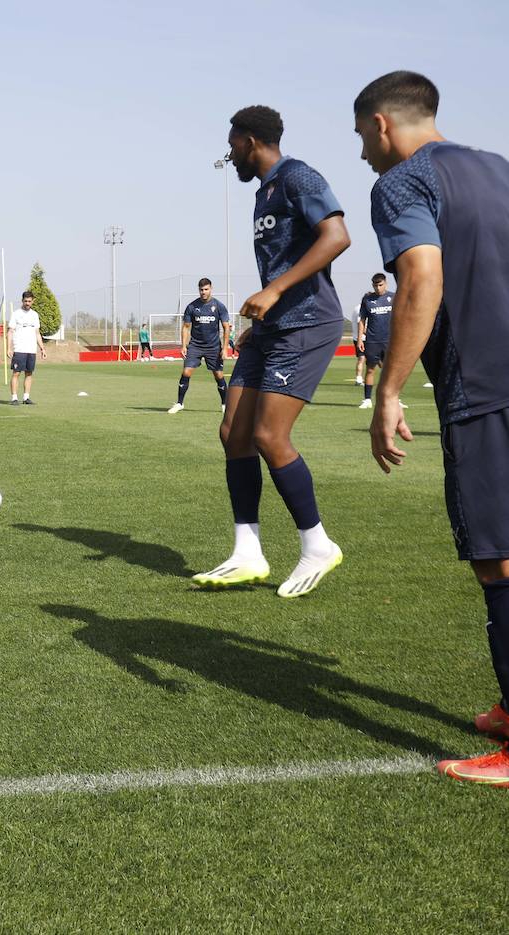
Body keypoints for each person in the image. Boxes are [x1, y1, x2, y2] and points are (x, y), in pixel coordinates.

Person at [359, 70, 509, 784]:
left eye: (362, 136)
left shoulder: (401, 183)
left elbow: (422, 277)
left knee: (499, 558)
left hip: (481, 387)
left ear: (384, 126)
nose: (362, 153)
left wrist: (388, 390)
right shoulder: (498, 168)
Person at [192, 105, 350, 598]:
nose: (230, 154)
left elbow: (337, 235)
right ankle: (248, 552)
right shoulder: (263, 193)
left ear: (251, 140)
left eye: (233, 144)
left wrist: (275, 291)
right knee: (233, 432)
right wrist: (258, 323)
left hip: (307, 323)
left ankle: (318, 544)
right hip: (273, 328)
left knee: (267, 434)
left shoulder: (298, 177)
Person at [167, 278, 231, 414]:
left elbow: (226, 328)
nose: (203, 292)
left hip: (213, 347)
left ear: (211, 289)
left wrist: (225, 348)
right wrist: (183, 346)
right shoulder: (191, 307)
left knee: (218, 375)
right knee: (186, 372)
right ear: (199, 290)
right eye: (201, 290)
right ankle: (179, 403)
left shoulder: (219, 306)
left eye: (206, 289)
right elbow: (185, 327)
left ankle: (225, 404)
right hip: (195, 346)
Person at [356, 273, 394, 408]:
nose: (378, 288)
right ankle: (367, 399)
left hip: (390, 340)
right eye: (375, 285)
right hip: (372, 340)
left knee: (390, 370)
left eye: (380, 285)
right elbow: (361, 320)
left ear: (386, 283)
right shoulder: (367, 299)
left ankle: (394, 399)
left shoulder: (393, 297)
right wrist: (360, 339)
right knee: (370, 369)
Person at [7, 290, 47, 402]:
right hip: (19, 349)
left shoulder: (35, 315)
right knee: (16, 373)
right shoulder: (16, 314)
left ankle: (26, 397)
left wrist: (42, 348)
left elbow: (37, 333)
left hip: (31, 350)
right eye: (25, 301)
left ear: (32, 301)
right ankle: (14, 398)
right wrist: (9, 348)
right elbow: (10, 331)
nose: (27, 303)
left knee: (29, 373)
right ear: (22, 300)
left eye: (29, 301)